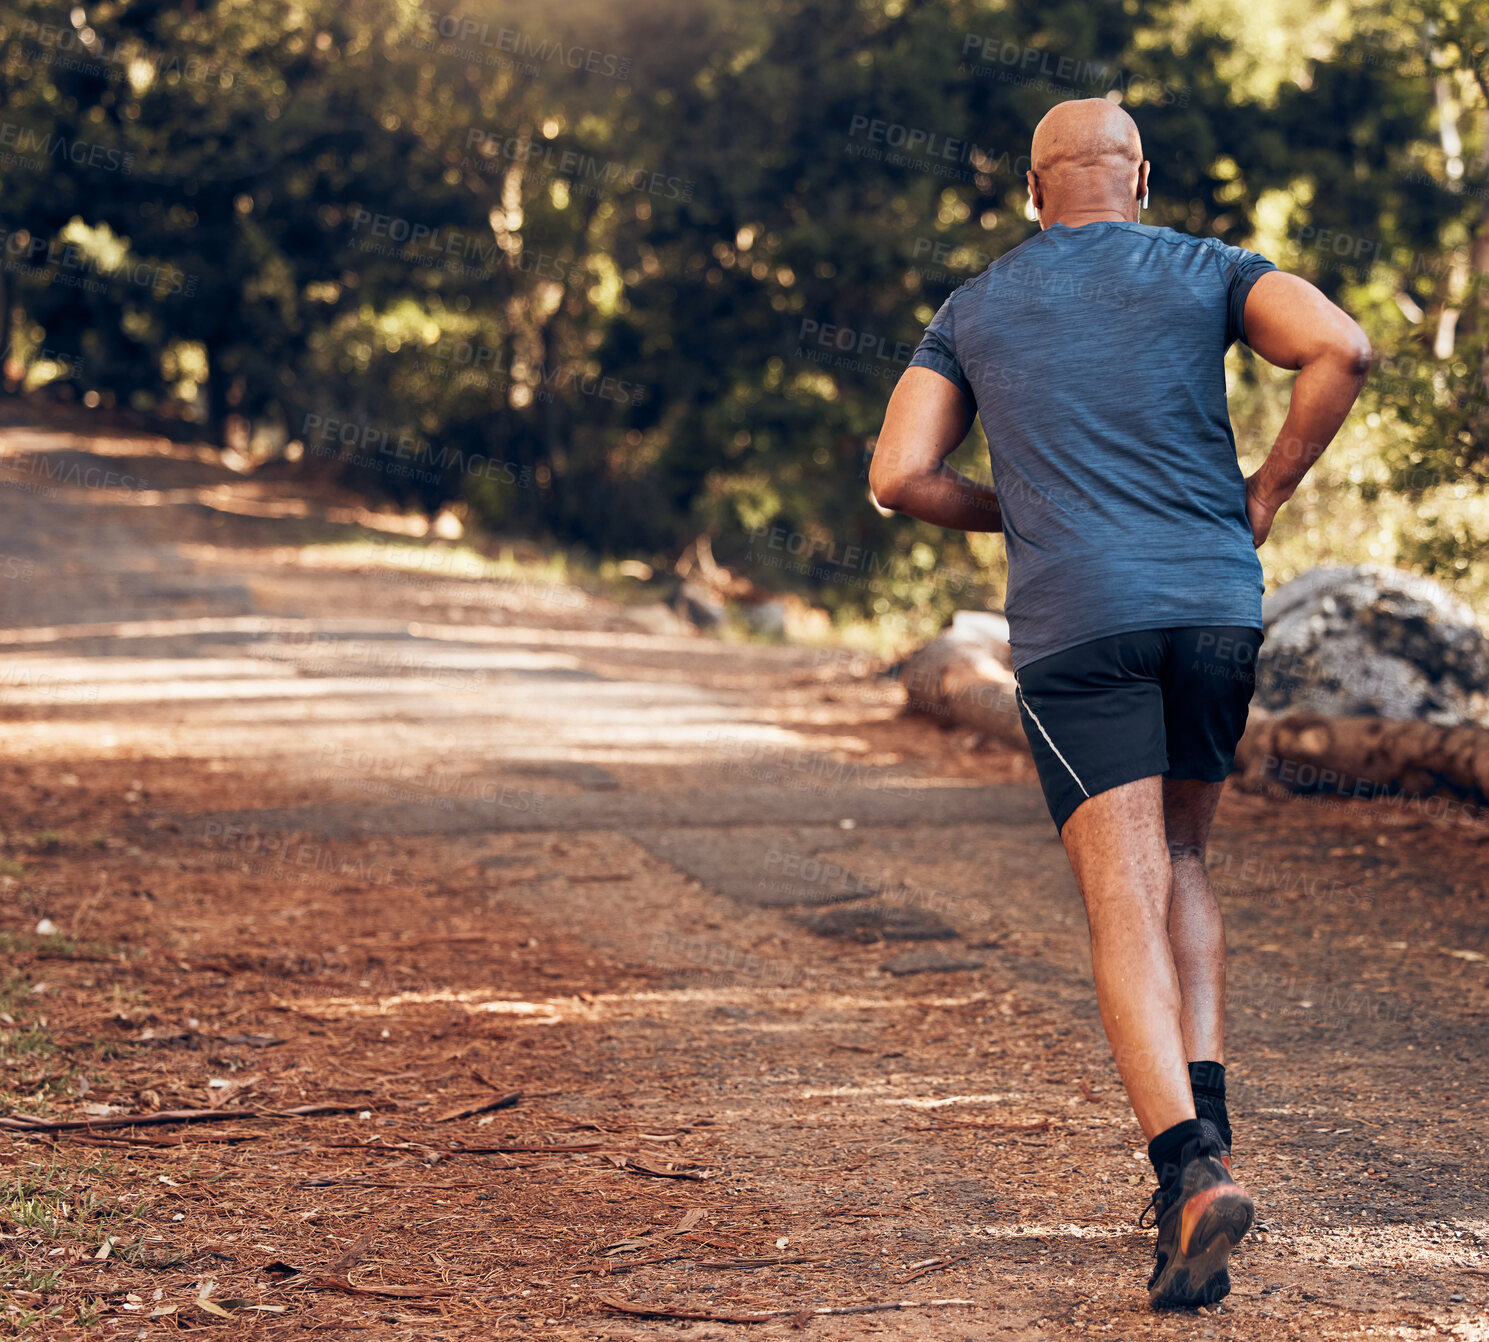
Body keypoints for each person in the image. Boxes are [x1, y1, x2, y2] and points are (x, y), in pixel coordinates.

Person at [869, 98, 1370, 1308]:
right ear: (1138, 177)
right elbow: (1339, 348)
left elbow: (897, 475)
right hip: (1212, 606)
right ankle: (1213, 1140)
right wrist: (1262, 494)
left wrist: (1022, 508)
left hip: (1078, 621)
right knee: (1184, 859)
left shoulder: (975, 305)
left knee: (1119, 887)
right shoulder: (1210, 269)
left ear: (1032, 194)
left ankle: (1188, 1171)